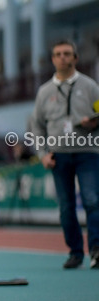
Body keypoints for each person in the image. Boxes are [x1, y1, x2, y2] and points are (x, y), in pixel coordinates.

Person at [30, 40, 99, 269]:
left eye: (67, 54)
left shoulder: (90, 87)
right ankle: (75, 252)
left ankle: (97, 250)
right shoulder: (44, 92)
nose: (62, 58)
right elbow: (37, 127)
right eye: (58, 54)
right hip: (58, 155)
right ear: (52, 59)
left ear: (75, 58)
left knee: (92, 200)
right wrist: (42, 154)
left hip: (87, 152)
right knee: (66, 206)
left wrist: (93, 123)